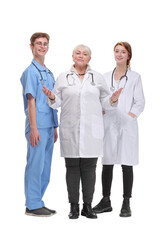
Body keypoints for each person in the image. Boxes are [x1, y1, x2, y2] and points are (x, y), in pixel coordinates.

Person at [42, 44, 122, 219]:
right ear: (72, 56)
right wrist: (51, 96)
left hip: (91, 131)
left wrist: (113, 99)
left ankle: (87, 206)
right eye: (78, 53)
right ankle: (73, 207)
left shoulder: (97, 77)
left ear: (89, 59)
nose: (81, 55)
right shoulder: (63, 77)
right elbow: (56, 103)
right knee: (72, 168)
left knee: (89, 168)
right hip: (70, 129)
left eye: (85, 53)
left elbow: (105, 103)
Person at [93, 42, 145, 217]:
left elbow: (140, 102)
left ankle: (126, 202)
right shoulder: (105, 76)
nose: (119, 54)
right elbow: (101, 99)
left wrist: (130, 117)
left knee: (126, 163)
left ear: (129, 55)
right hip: (108, 123)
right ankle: (106, 200)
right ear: (113, 53)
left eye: (123, 52)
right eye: (117, 51)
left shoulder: (135, 77)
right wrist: (101, 108)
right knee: (106, 162)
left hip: (126, 125)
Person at [20, 32, 58, 217]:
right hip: (38, 126)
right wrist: (34, 128)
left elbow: (53, 99)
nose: (42, 47)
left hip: (49, 125)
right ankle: (32, 204)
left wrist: (55, 126)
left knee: (46, 167)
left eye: (45, 44)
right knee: (36, 165)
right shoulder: (31, 72)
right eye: (38, 44)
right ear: (31, 47)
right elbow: (31, 101)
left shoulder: (48, 72)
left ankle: (38, 201)